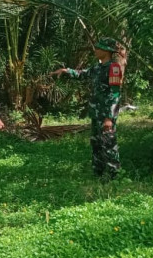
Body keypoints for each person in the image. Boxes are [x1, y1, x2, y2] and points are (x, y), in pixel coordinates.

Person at [51, 37, 123, 178]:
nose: (95, 50)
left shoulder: (114, 68)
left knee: (109, 144)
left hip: (106, 115)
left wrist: (109, 117)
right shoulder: (97, 68)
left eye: (98, 48)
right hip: (96, 113)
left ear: (106, 51)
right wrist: (66, 71)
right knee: (96, 143)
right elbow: (82, 74)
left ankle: (114, 175)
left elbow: (115, 94)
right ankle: (98, 173)